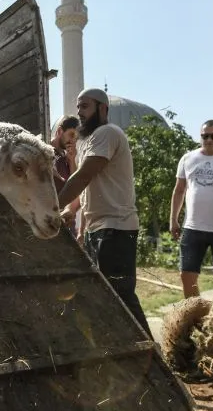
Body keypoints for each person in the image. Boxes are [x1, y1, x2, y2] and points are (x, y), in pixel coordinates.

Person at [58, 88, 152, 337]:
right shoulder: (85, 141)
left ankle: (152, 355)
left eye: (85, 106)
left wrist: (53, 204)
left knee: (120, 294)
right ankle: (121, 349)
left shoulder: (107, 133)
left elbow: (84, 175)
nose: (80, 112)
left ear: (103, 108)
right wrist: (69, 209)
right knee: (102, 294)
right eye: (78, 107)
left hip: (116, 228)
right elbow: (85, 189)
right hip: (96, 229)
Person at [170, 120, 213, 297]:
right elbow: (179, 190)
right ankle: (195, 316)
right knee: (187, 275)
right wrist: (173, 220)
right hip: (193, 228)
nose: (209, 139)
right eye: (205, 136)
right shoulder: (188, 159)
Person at [50, 115, 80, 235]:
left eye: (76, 138)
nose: (73, 141)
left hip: (68, 224)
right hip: (51, 220)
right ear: (59, 131)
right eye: (71, 135)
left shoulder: (67, 156)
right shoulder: (45, 149)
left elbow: (76, 186)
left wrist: (72, 160)